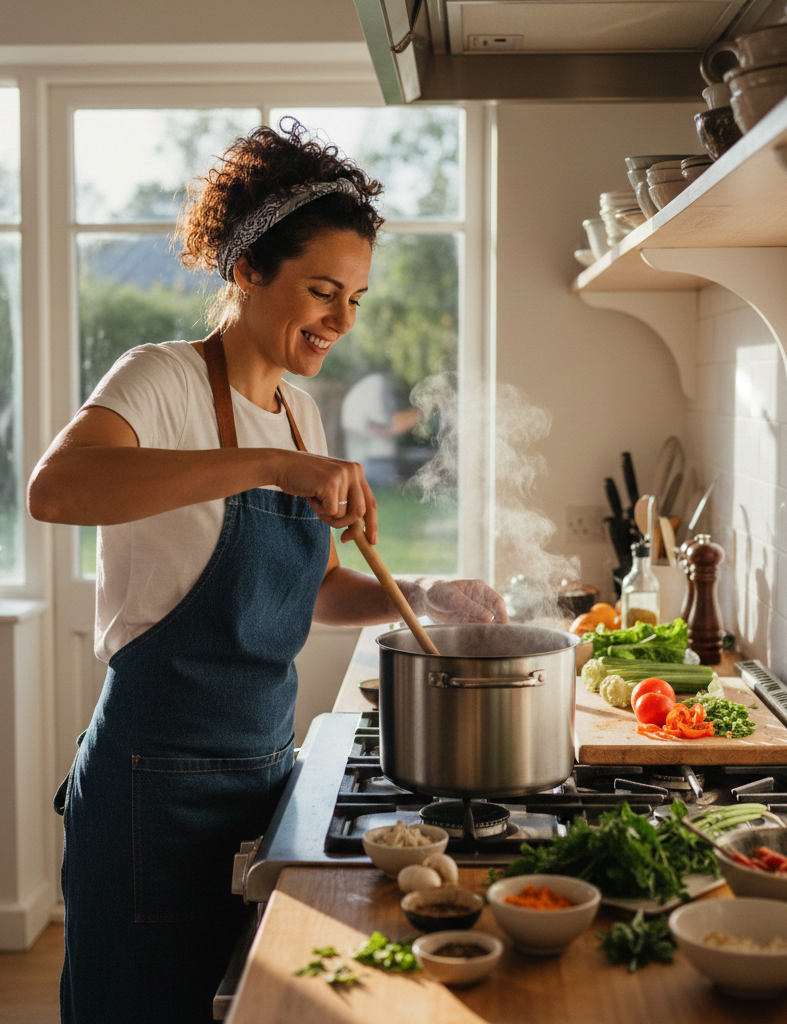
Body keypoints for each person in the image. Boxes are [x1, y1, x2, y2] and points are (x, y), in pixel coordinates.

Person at [27, 119, 507, 1024]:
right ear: (249, 268)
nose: (342, 321)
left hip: (261, 771)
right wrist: (270, 468)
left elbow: (314, 588)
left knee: (240, 1006)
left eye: (356, 298)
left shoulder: (299, 415)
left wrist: (424, 593)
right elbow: (56, 490)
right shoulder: (161, 379)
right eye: (323, 291)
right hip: (151, 786)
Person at [340, 371, 419, 485]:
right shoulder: (376, 385)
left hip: (371, 463)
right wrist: (418, 415)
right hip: (373, 464)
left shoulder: (374, 385)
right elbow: (386, 430)